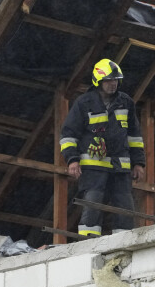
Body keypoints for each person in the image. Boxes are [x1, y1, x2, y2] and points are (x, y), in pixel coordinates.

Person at [60, 59, 146, 237]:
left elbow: (135, 137)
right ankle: (88, 242)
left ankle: (124, 241)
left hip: (120, 167)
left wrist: (138, 163)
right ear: (98, 81)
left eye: (115, 80)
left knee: (125, 207)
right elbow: (69, 135)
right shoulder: (84, 103)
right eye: (108, 80)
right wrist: (72, 160)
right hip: (93, 167)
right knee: (92, 205)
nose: (112, 83)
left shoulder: (126, 103)